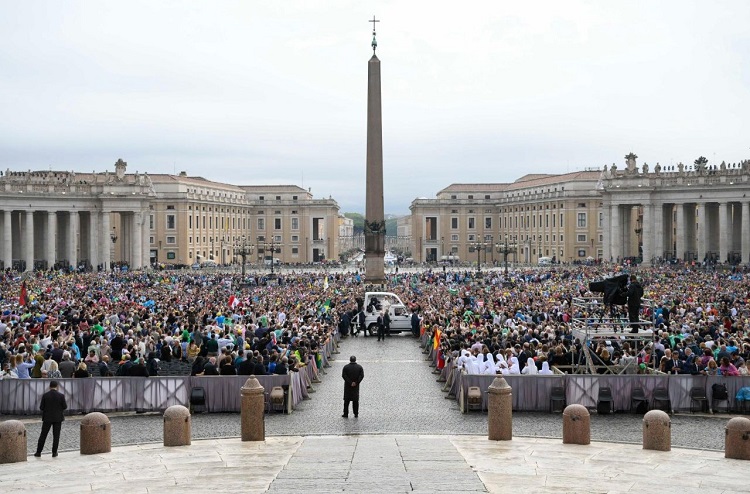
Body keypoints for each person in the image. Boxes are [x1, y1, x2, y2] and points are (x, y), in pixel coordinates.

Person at [35, 380, 67, 457]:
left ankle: (38, 452)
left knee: (43, 435)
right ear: (57, 387)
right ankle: (54, 452)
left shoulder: (45, 395)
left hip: (47, 418)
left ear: (49, 387)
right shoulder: (61, 396)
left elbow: (41, 407)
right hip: (58, 418)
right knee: (56, 436)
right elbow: (65, 406)